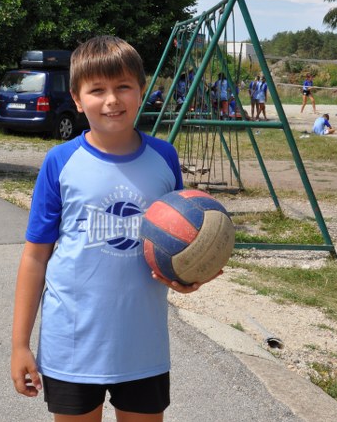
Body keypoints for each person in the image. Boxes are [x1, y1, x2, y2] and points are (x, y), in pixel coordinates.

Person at [11, 36, 212, 422]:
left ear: (141, 91)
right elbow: (35, 257)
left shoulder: (164, 157)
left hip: (142, 345)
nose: (112, 100)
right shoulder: (60, 161)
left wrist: (187, 274)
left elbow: (177, 237)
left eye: (123, 87)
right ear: (76, 98)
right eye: (97, 90)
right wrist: (20, 345)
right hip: (72, 343)